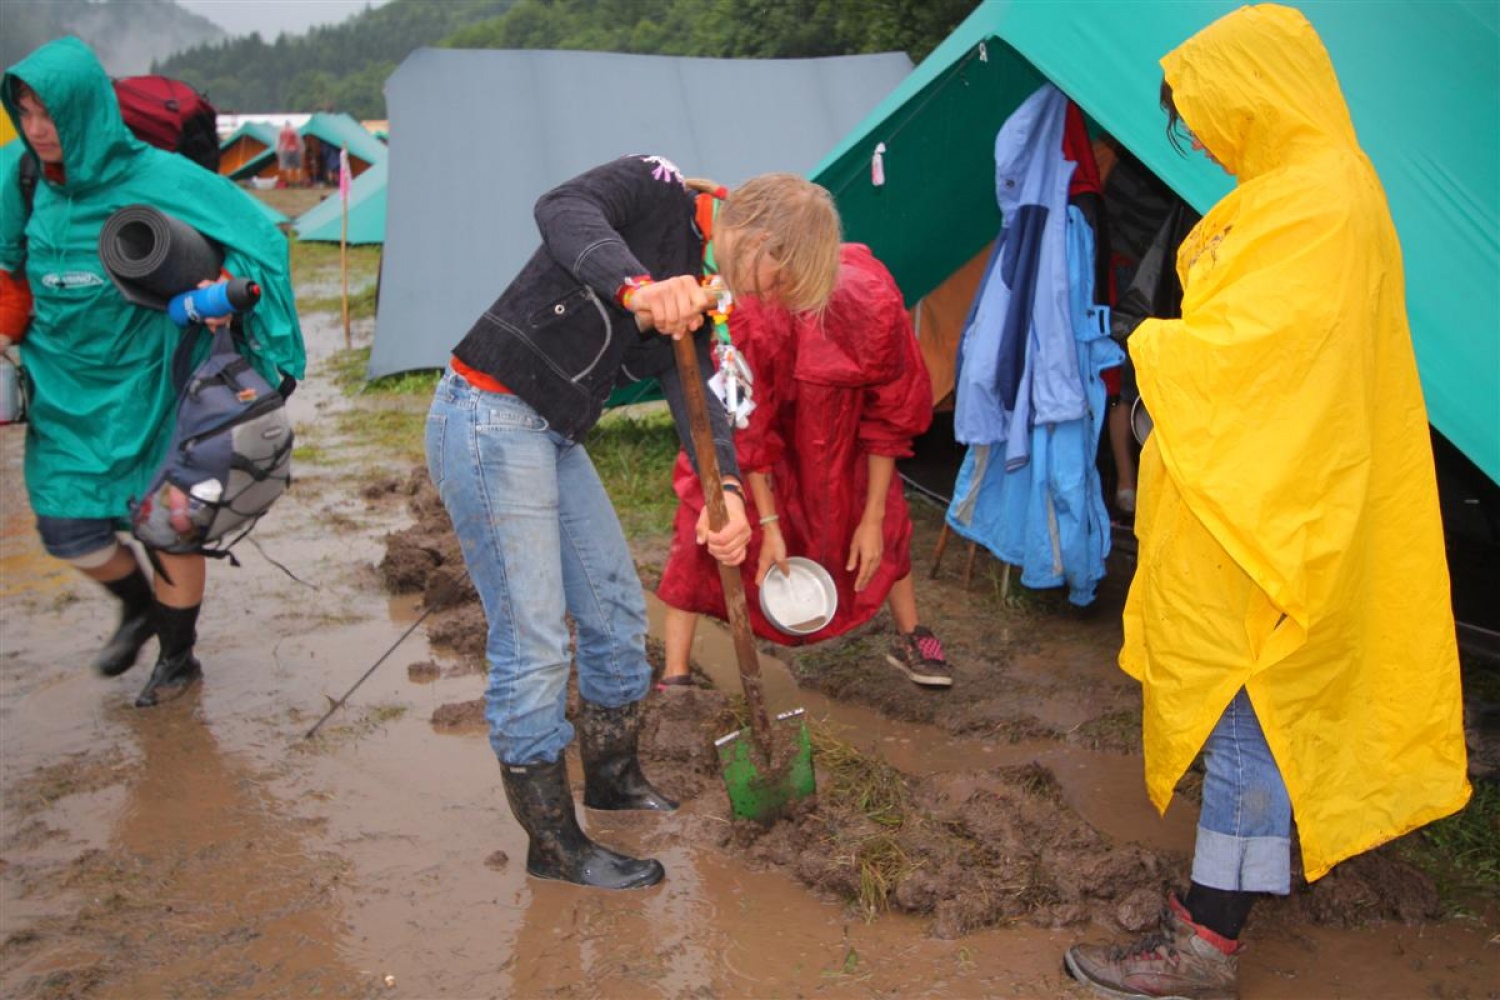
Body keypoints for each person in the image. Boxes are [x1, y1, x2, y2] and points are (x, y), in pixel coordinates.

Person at [1063, 7, 1470, 999]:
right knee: (1266, 710)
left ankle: (1206, 943)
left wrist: (1146, 349)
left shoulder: (1317, 200)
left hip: (1274, 503)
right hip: (1285, 483)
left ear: (1255, 88)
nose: (1196, 137)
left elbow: (1262, 354)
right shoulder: (1318, 186)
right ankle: (1228, 901)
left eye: (1200, 112)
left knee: (1253, 699)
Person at [425, 154, 841, 891]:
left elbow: (697, 396)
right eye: (778, 278)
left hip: (552, 432)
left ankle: (613, 778)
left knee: (617, 614)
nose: (769, 296)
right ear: (759, 239)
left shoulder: (708, 293)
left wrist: (733, 497)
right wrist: (638, 286)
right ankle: (552, 844)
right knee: (536, 639)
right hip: (488, 413)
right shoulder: (655, 188)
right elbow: (560, 206)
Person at [0, 38, 304, 709]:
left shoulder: (161, 176)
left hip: (156, 388)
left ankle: (177, 655)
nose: (38, 128)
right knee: (67, 528)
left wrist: (233, 294)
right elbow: (5, 269)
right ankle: (137, 606)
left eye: (50, 112)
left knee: (168, 526)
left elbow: (259, 244)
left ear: (87, 110)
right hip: (65, 394)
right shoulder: (16, 175)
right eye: (24, 112)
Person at [656, 242, 951, 689]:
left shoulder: (872, 300)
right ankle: (674, 673)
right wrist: (771, 525)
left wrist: (871, 518)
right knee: (710, 523)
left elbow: (891, 413)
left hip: (843, 437)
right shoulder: (752, 314)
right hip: (764, 439)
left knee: (884, 524)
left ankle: (912, 635)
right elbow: (748, 430)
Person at [275, 119, 302, 187]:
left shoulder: (282, 131)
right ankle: (298, 181)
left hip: (285, 150)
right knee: (298, 166)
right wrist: (301, 148)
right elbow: (298, 140)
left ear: (285, 124)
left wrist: (277, 150)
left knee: (288, 166)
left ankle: (290, 182)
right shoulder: (294, 130)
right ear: (290, 124)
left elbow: (279, 142)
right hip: (295, 149)